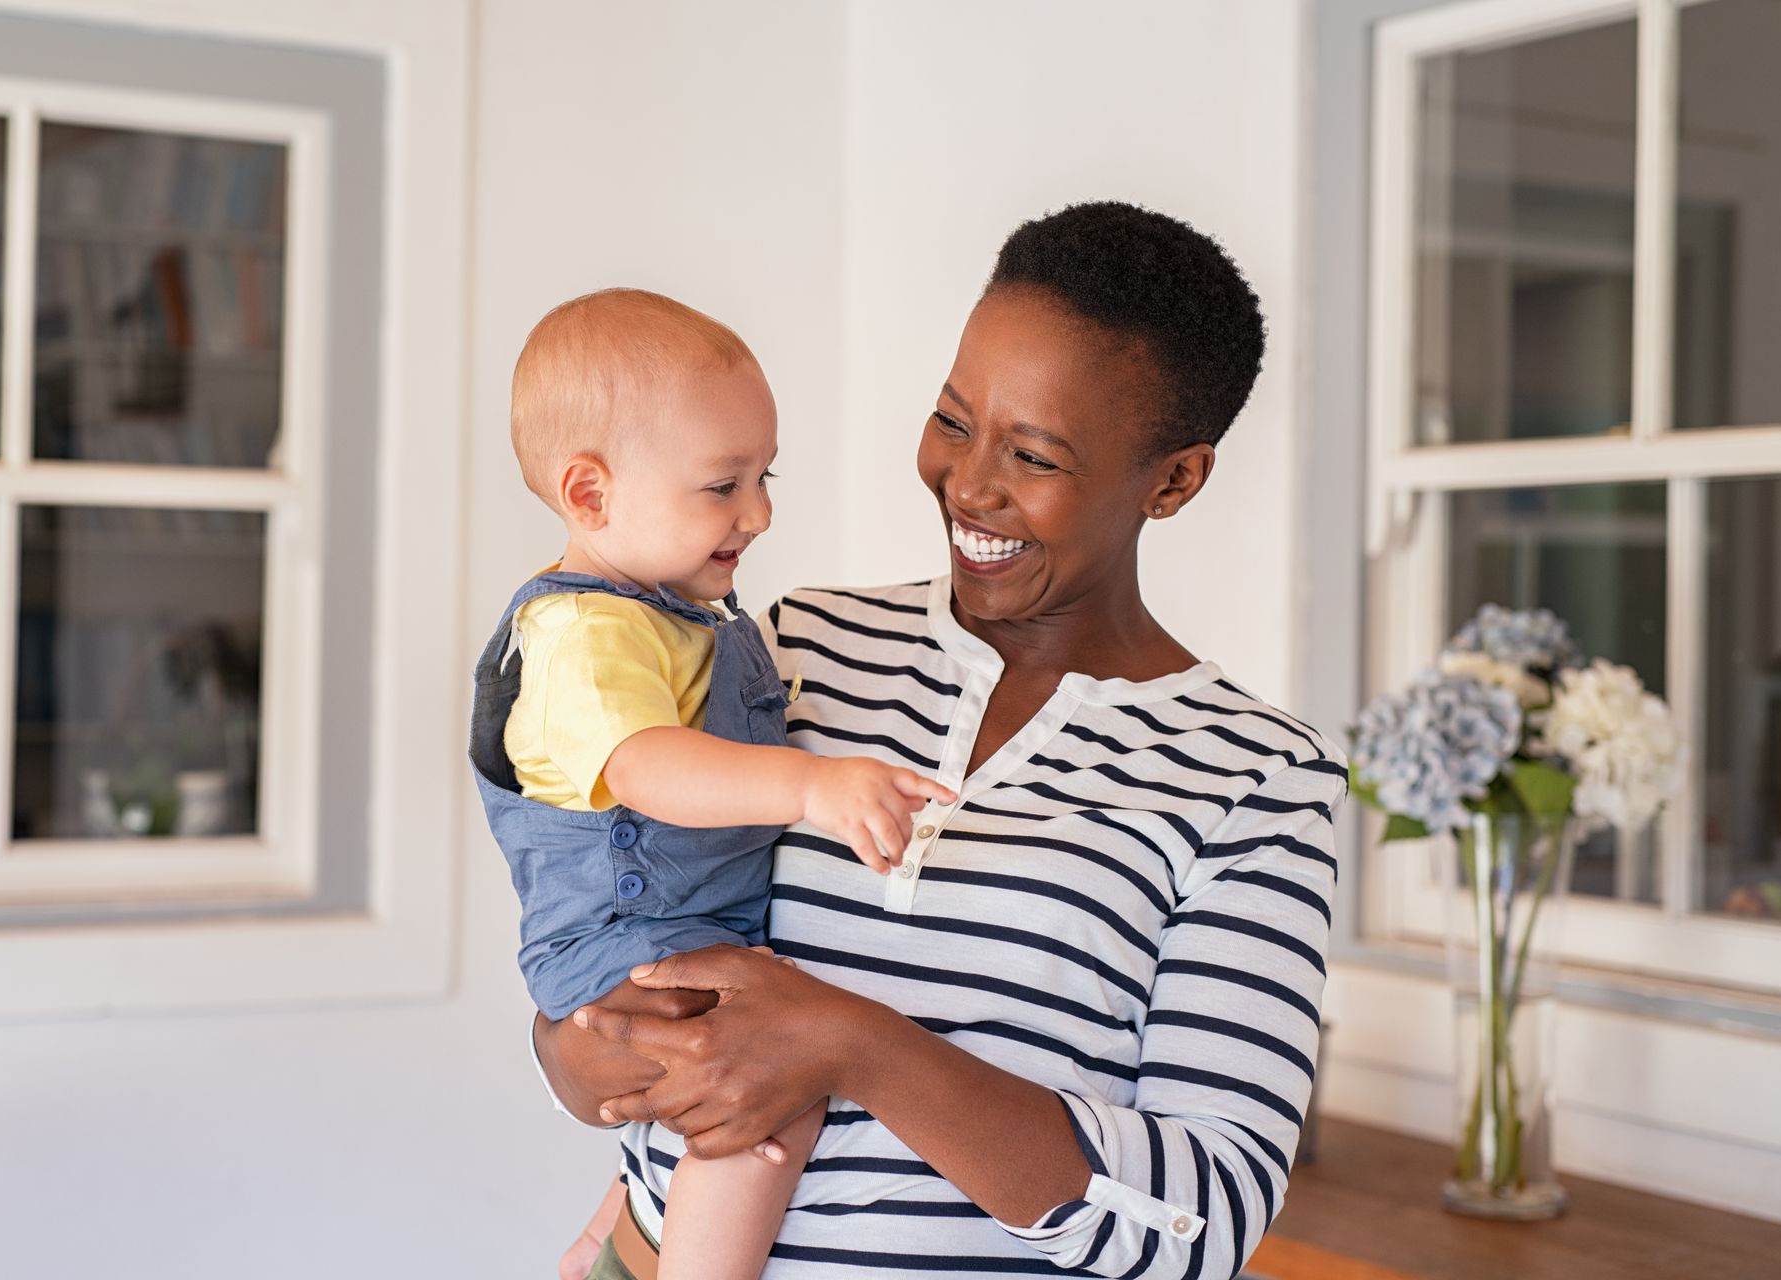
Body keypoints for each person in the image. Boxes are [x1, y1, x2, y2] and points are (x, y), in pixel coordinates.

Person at [533, 203, 1348, 1278]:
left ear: (1174, 480)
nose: (969, 483)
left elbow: (1208, 1215)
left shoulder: (1258, 778)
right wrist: (575, 1050)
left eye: (1036, 454)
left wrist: (853, 1041)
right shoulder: (789, 647)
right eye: (954, 421)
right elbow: (610, 912)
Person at [468, 289, 955, 1280]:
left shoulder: (681, 614)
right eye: (723, 485)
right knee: (768, 1099)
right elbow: (650, 766)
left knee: (709, 1077)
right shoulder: (582, 634)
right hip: (626, 942)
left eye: (764, 476)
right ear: (590, 494)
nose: (760, 512)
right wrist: (812, 787)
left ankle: (610, 1224)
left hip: (684, 930)